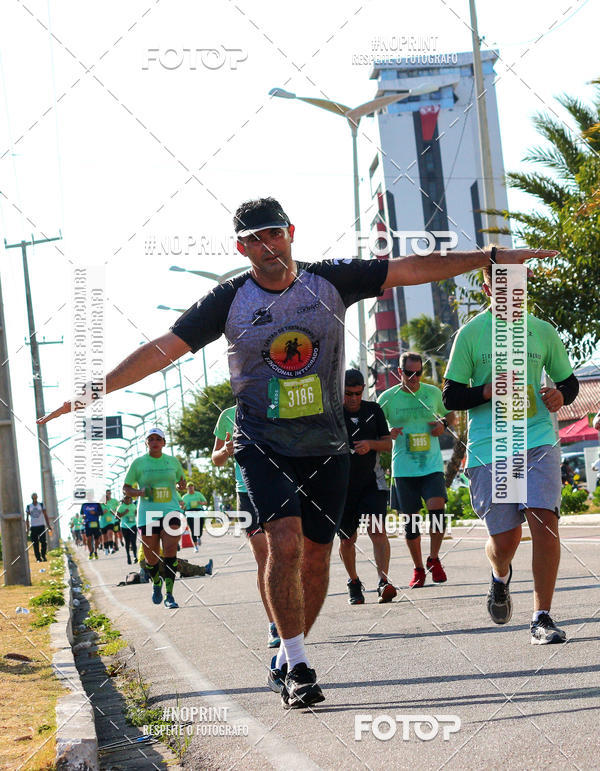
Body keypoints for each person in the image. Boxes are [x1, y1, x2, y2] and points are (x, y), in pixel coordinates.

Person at [39, 196, 554, 707]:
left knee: (315, 559)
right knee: (283, 543)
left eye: (275, 235)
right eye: (255, 240)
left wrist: (487, 256)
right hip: (262, 443)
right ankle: (300, 663)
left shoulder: (332, 279)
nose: (268, 247)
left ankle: (286, 657)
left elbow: (415, 268)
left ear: (292, 231)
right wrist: (88, 392)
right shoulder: (228, 301)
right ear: (241, 248)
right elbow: (160, 350)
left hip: (327, 447)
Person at [443, 261, 579, 644]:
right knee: (506, 542)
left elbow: (568, 383)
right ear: (487, 289)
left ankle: (542, 617)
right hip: (491, 446)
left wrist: (558, 395)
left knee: (544, 522)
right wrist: (487, 391)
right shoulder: (470, 335)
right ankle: (500, 576)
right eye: (500, 286)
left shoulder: (541, 331)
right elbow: (451, 395)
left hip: (536, 438)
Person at [378, 353, 457, 588]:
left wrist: (442, 424)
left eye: (418, 373)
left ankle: (434, 558)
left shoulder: (432, 393)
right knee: (410, 524)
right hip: (403, 468)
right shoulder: (387, 398)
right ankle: (419, 568)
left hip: (431, 465)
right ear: (399, 372)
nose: (414, 378)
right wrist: (386, 434)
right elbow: (374, 427)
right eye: (409, 373)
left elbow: (451, 416)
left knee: (437, 510)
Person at [212, 405, 280, 649]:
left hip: (277, 489)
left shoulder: (275, 407)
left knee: (285, 554)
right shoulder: (227, 416)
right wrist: (225, 450)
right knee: (263, 556)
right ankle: (274, 623)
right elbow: (216, 459)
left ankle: (289, 611)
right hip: (246, 494)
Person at [337, 369, 394, 604]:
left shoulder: (373, 411)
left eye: (358, 393)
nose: (353, 398)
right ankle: (353, 582)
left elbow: (388, 443)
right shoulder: (332, 414)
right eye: (348, 394)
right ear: (341, 392)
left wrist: (370, 444)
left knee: (378, 531)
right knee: (347, 540)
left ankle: (384, 581)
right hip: (342, 488)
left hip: (372, 483)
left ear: (363, 391)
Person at [123, 427, 187, 609]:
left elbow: (181, 482)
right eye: (150, 439)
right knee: (151, 558)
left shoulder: (173, 462)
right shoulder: (138, 463)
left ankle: (170, 594)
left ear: (164, 443)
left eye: (158, 439)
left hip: (171, 511)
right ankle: (156, 583)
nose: (154, 442)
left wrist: (182, 485)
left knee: (169, 552)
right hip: (147, 514)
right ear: (146, 443)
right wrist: (140, 491)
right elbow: (126, 488)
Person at [180, 482, 207, 552]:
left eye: (192, 486)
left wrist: (200, 503)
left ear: (194, 487)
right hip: (189, 513)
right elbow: (181, 507)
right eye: (189, 486)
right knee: (193, 530)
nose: (191, 487)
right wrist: (183, 507)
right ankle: (195, 547)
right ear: (187, 488)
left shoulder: (198, 494)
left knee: (200, 528)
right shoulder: (184, 497)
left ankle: (199, 537)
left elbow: (205, 502)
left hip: (199, 511)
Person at [25, 493, 51, 562]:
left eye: (35, 498)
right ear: (32, 498)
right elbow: (27, 519)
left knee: (43, 542)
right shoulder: (29, 507)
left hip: (41, 526)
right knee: (35, 543)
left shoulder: (41, 505)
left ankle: (43, 555)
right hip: (33, 527)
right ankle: (38, 558)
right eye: (33, 498)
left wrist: (48, 525)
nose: (35, 499)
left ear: (37, 497)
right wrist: (27, 529)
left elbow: (45, 515)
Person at [117, 495, 138, 565]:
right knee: (127, 542)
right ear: (124, 499)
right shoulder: (121, 506)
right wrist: (124, 513)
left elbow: (135, 513)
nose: (128, 499)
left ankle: (135, 556)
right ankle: (128, 556)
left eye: (129, 498)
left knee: (133, 541)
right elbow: (117, 516)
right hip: (124, 527)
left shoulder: (133, 505)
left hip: (133, 525)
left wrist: (135, 514)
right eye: (126, 498)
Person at [101, 488, 121, 554]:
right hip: (103, 523)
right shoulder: (100, 504)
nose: (108, 495)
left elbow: (118, 507)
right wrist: (102, 512)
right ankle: (106, 549)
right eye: (107, 494)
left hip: (111, 521)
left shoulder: (112, 502)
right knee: (105, 536)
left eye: (110, 493)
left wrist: (115, 512)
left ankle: (112, 548)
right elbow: (99, 513)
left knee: (110, 533)